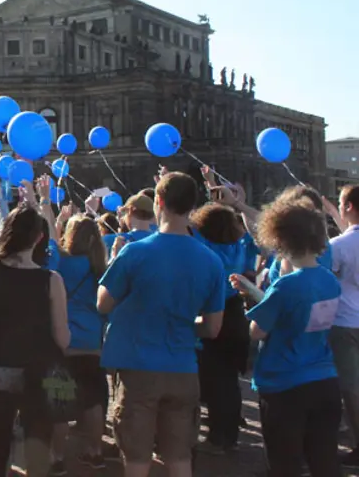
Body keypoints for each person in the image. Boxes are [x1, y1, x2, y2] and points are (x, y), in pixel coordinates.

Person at [97, 172, 225, 477]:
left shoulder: (135, 251)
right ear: (192, 205)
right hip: (183, 367)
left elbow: (103, 303)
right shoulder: (211, 261)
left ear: (159, 202)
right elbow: (212, 329)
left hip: (138, 367)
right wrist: (181, 323)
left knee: (138, 457)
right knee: (180, 457)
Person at [239, 198, 342, 476]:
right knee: (325, 461)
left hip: (285, 384)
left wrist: (253, 298)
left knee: (285, 464)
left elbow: (258, 331)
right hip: (324, 379)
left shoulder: (285, 286)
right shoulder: (329, 279)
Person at [0, 197, 70, 477]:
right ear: (40, 238)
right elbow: (62, 337)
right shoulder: (51, 280)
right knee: (37, 447)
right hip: (38, 368)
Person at [189, 201, 253, 454]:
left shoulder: (204, 248)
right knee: (229, 379)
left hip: (213, 311)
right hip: (236, 313)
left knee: (215, 380)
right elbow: (250, 232)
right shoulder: (239, 246)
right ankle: (230, 431)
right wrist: (236, 200)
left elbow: (187, 227)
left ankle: (220, 437)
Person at [51, 214, 108, 471]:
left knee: (60, 403)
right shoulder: (100, 267)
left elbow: (51, 245)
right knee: (94, 400)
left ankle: (57, 457)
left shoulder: (61, 262)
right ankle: (95, 451)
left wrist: (51, 213)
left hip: (62, 341)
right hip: (92, 342)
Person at [331, 184, 359, 468]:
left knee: (351, 388)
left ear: (349, 207)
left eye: (339, 204)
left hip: (346, 322)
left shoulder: (338, 246)